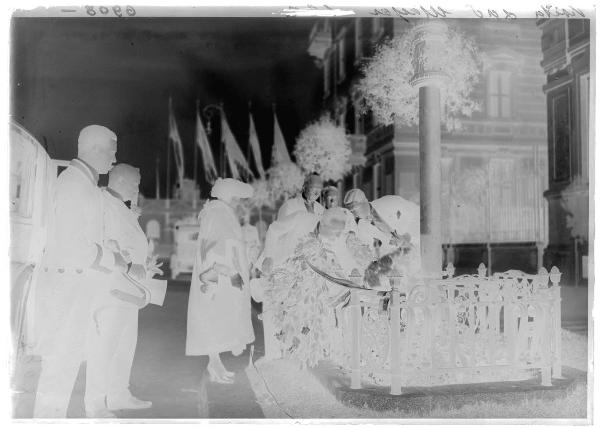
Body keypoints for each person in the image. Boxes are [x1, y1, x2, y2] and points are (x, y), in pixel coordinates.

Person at [31, 125, 126, 418]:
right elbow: (73, 246)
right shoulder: (75, 184)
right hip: (66, 284)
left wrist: (105, 247)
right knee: (59, 366)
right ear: (95, 149)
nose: (114, 158)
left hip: (74, 283)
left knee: (65, 363)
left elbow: (80, 237)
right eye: (112, 151)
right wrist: (113, 258)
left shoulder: (82, 183)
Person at [85, 164, 160, 414]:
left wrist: (145, 265)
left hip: (129, 290)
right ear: (119, 180)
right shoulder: (104, 204)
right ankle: (95, 405)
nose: (138, 188)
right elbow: (105, 244)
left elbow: (128, 243)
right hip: (111, 288)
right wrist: (129, 266)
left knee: (124, 348)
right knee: (104, 349)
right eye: (135, 183)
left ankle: (119, 395)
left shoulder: (124, 208)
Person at [186, 178, 255, 384]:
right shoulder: (217, 213)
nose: (238, 203)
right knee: (215, 318)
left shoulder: (221, 212)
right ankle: (214, 364)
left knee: (221, 318)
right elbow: (214, 248)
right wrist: (229, 273)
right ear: (230, 197)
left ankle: (215, 363)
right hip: (220, 275)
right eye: (237, 199)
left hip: (225, 274)